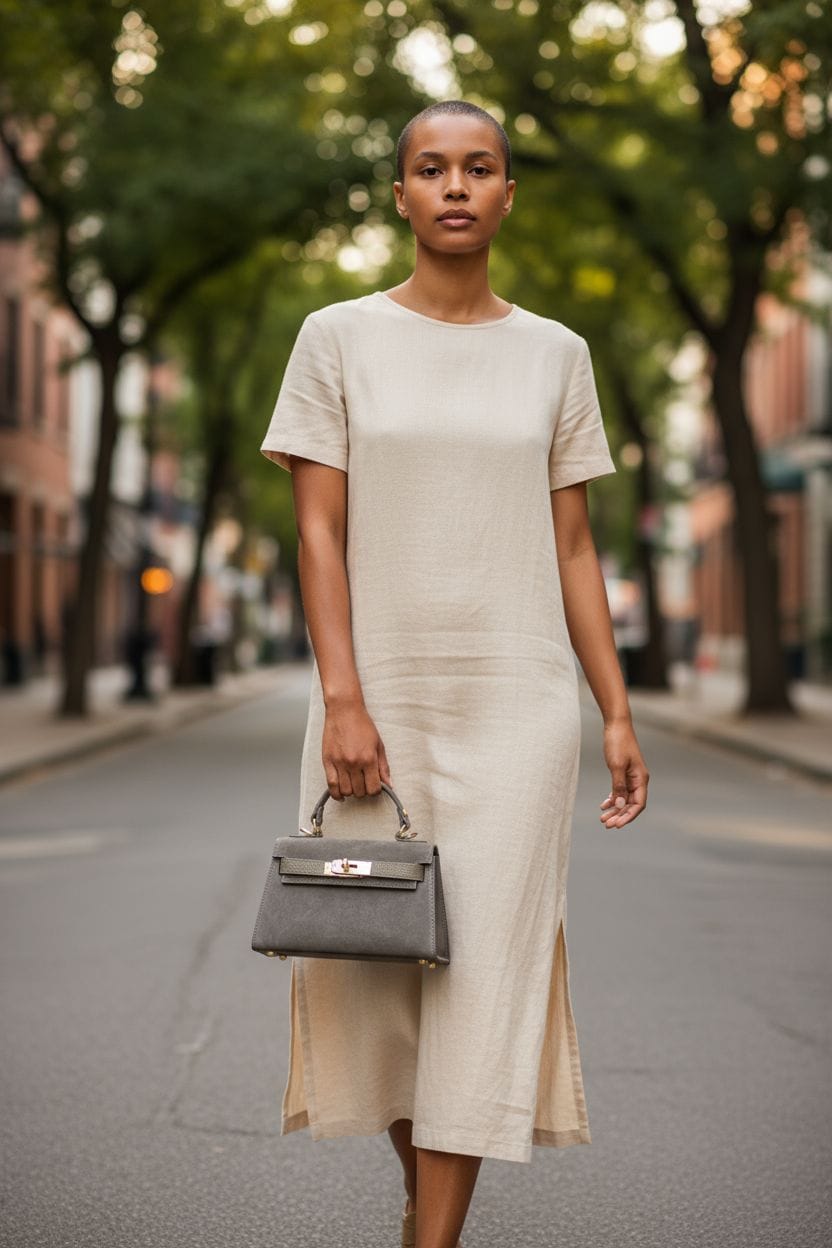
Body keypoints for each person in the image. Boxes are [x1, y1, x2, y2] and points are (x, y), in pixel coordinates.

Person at [259, 99, 650, 1248]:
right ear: (400, 196)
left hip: (520, 707)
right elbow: (318, 533)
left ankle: (432, 1237)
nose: (456, 187)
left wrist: (615, 709)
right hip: (376, 701)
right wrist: (342, 696)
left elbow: (573, 546)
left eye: (480, 168)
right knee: (377, 970)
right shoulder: (335, 338)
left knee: (485, 971)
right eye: (431, 169)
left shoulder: (556, 356)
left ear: (508, 193)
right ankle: (427, 1200)